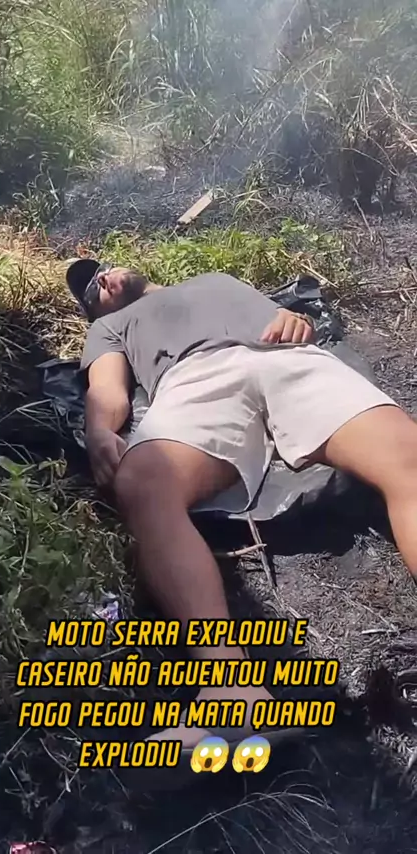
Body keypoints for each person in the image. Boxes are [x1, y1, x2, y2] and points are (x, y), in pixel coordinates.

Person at [69, 259, 417, 755]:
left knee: (405, 454)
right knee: (143, 483)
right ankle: (232, 694)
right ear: (95, 311)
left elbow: (285, 317)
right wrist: (99, 430)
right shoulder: (110, 326)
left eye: (101, 269)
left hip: (285, 356)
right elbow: (107, 389)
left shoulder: (215, 280)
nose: (101, 278)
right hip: (192, 382)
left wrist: (296, 319)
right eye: (92, 290)